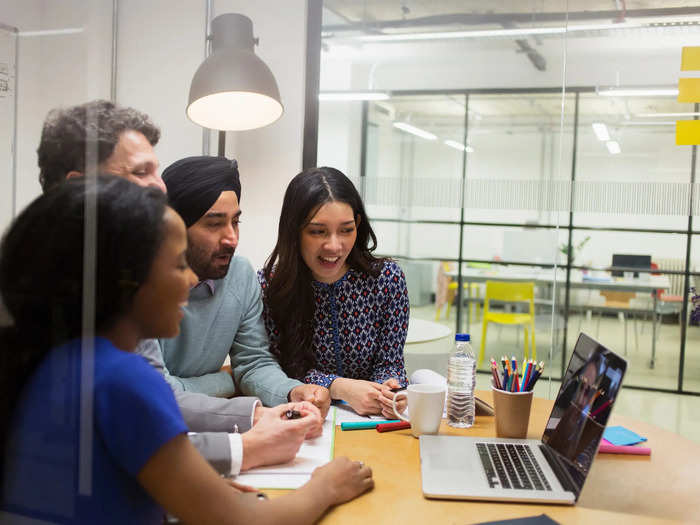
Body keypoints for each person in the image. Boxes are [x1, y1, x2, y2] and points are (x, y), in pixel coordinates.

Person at [0, 176, 373, 524]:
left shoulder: (63, 362)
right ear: (129, 280)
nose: (193, 279)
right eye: (178, 265)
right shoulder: (122, 380)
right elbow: (246, 521)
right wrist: (326, 486)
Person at [34, 100, 314, 476]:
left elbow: (151, 403)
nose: (159, 185)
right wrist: (247, 446)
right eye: (141, 171)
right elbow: (138, 427)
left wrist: (261, 410)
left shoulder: (118, 276)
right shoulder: (48, 288)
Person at [157, 156, 331, 413]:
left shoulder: (241, 275)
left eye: (235, 221)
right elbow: (157, 392)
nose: (232, 238)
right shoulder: (142, 285)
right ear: (175, 227)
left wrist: (292, 392)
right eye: (214, 224)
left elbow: (252, 363)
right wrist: (226, 380)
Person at [259, 167, 409, 419]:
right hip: (305, 420)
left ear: (358, 226)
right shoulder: (269, 286)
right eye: (318, 231)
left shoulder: (387, 279)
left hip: (372, 422)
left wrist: (387, 390)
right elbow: (274, 370)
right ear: (294, 231)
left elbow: (389, 361)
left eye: (346, 230)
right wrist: (341, 387)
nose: (334, 246)